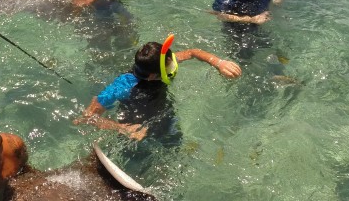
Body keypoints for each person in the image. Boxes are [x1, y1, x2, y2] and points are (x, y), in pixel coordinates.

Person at [75, 37, 241, 142]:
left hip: (162, 111)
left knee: (174, 143)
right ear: (153, 76)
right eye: (170, 69)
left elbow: (192, 52)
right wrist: (123, 129)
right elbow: (87, 116)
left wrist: (219, 63)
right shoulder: (123, 86)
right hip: (135, 122)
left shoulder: (162, 61)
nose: (174, 67)